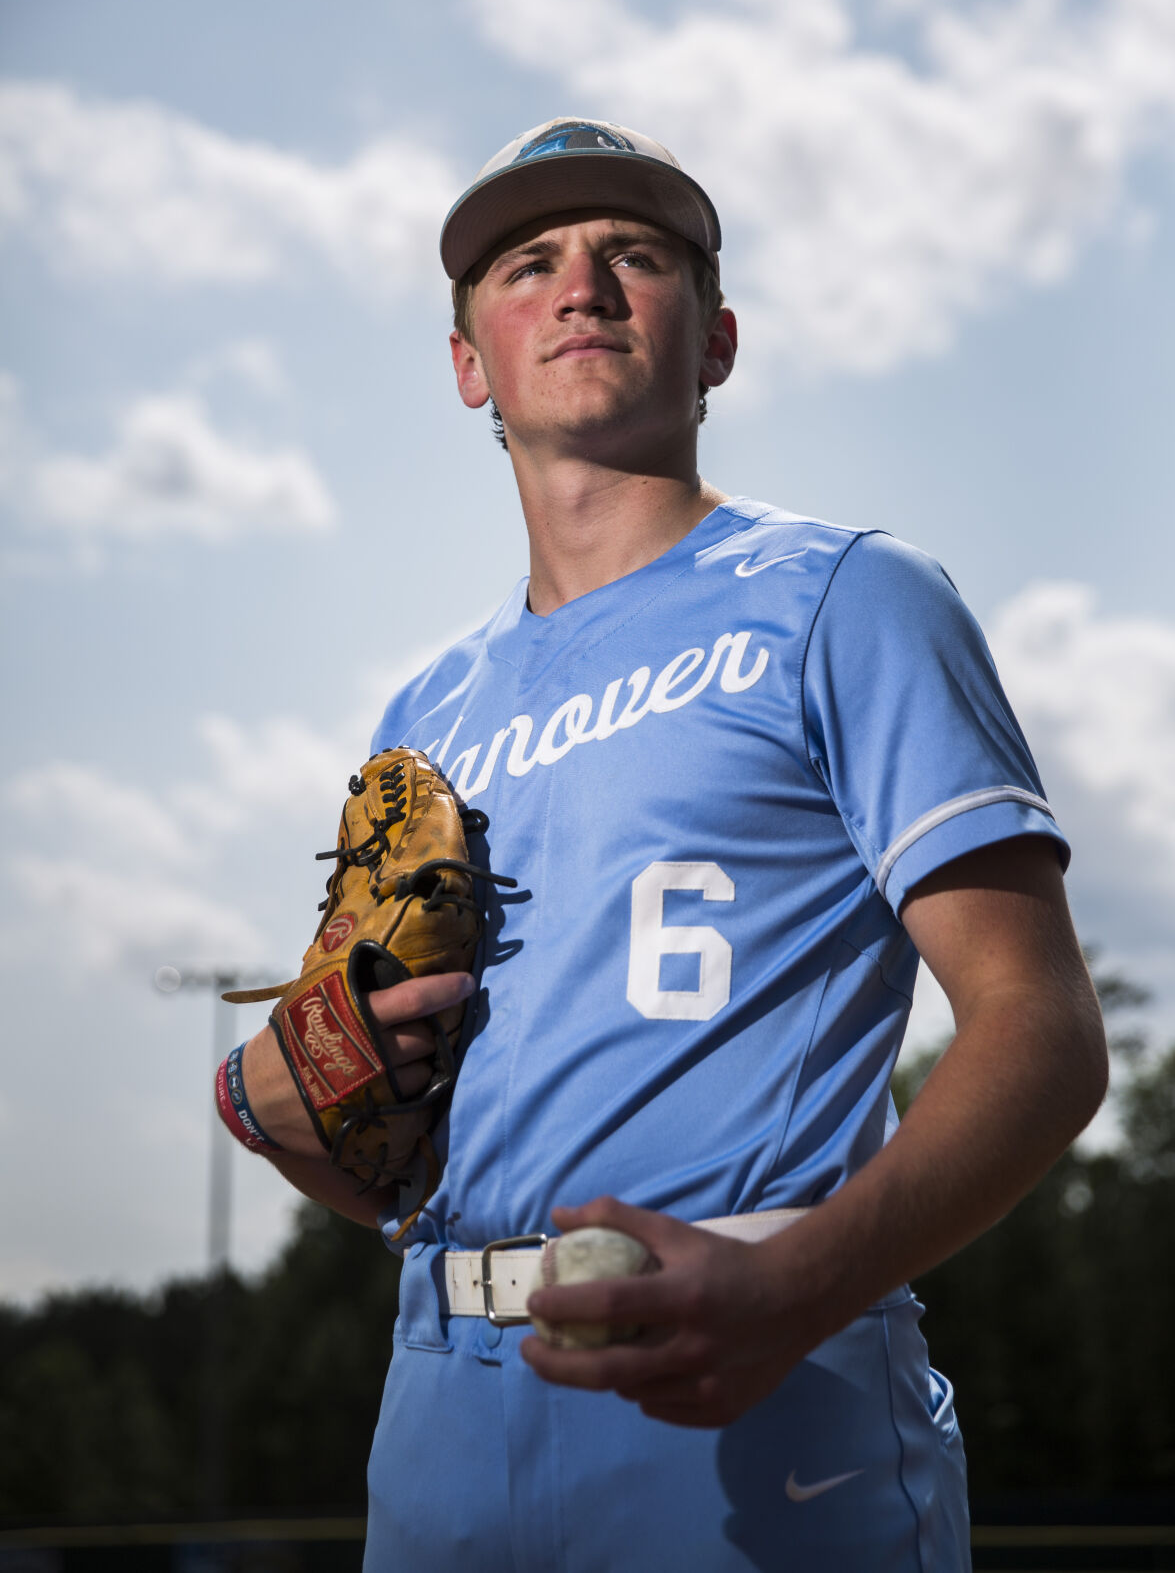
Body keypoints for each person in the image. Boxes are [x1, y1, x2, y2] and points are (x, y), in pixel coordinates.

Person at [233, 119, 1108, 1571]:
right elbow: (400, 1147)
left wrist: (808, 1284)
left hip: (759, 1380)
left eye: (635, 256)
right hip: (438, 1401)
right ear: (469, 366)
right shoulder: (423, 714)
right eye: (528, 264)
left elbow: (1045, 1028)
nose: (581, 286)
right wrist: (271, 1103)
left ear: (717, 341)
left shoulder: (847, 596)